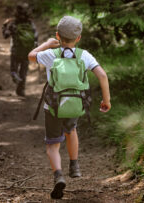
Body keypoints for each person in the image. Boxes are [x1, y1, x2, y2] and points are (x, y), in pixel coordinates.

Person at [28, 16, 111, 199]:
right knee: (71, 130)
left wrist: (47, 44)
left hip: (53, 107)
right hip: (75, 105)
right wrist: (107, 101)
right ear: (79, 38)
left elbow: (31, 56)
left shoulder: (51, 54)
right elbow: (102, 76)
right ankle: (74, 165)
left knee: (52, 144)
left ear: (58, 36)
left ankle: (58, 175)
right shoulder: (84, 55)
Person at [2, 3, 38, 96]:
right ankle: (21, 90)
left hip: (15, 51)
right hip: (27, 51)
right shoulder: (30, 23)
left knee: (14, 70)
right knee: (24, 71)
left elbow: (5, 35)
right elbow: (35, 37)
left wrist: (5, 25)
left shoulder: (13, 24)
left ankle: (16, 77)